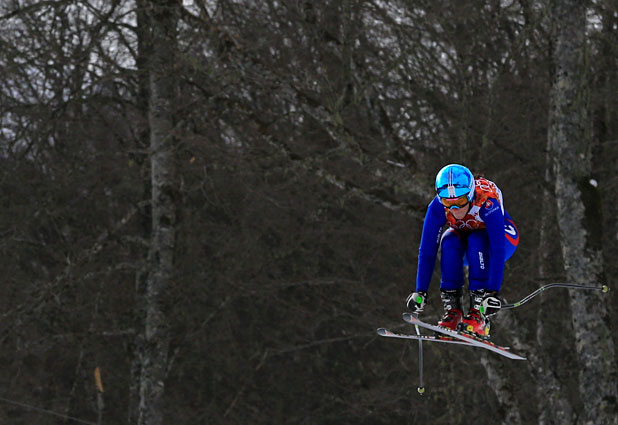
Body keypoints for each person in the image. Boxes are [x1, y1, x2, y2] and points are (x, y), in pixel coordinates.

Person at [406, 164, 519, 339]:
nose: (454, 209)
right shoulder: (437, 207)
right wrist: (421, 291)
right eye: (447, 202)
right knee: (448, 240)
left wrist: (492, 293)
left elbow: (497, 250)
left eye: (460, 202)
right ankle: (454, 311)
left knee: (477, 240)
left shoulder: (487, 202)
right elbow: (427, 251)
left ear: (471, 194)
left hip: (501, 239)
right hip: (468, 241)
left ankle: (479, 315)